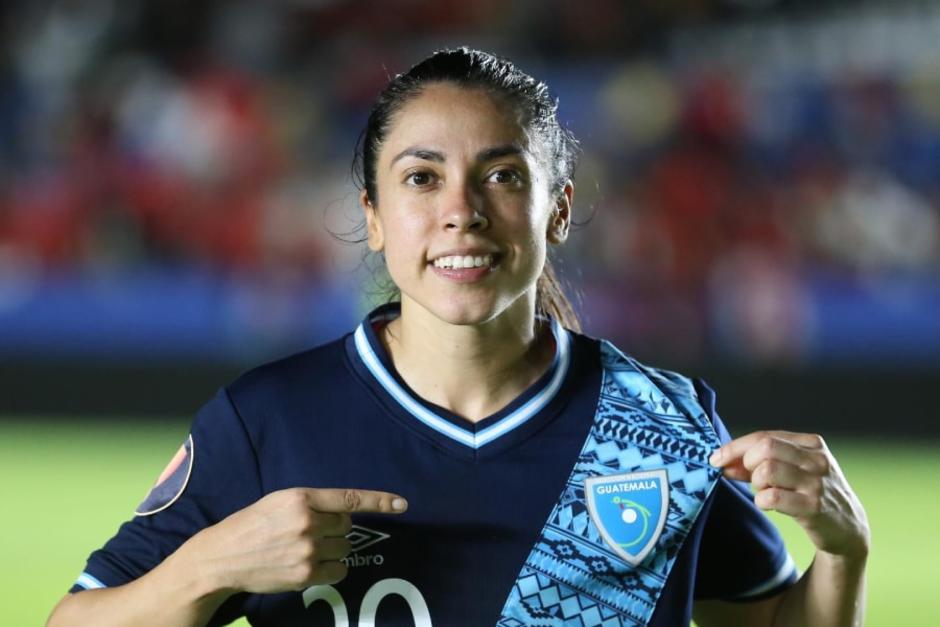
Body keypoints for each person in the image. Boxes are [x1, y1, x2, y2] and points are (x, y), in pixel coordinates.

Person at [47, 48, 869, 627]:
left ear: (560, 209)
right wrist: (210, 565)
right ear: (372, 216)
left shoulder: (659, 425)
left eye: (503, 176)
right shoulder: (267, 423)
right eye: (421, 176)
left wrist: (844, 548)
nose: (462, 210)